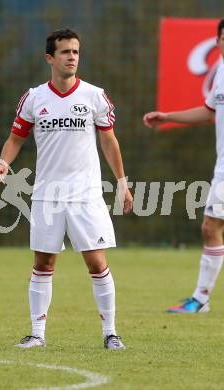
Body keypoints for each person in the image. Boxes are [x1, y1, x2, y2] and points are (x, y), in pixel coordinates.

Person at [0, 29, 133, 348]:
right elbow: (16, 138)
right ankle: (37, 335)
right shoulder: (34, 98)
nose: (72, 57)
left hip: (86, 195)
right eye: (66, 52)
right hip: (46, 195)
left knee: (96, 263)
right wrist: (3, 163)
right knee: (44, 264)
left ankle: (111, 333)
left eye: (76, 51)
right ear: (50, 58)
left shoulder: (94, 96)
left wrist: (122, 184)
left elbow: (108, 140)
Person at [143, 18, 224, 313]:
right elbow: (208, 111)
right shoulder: (221, 72)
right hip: (222, 167)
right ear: (218, 42)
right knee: (211, 226)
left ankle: (201, 299)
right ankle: (200, 299)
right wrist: (168, 116)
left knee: (211, 226)